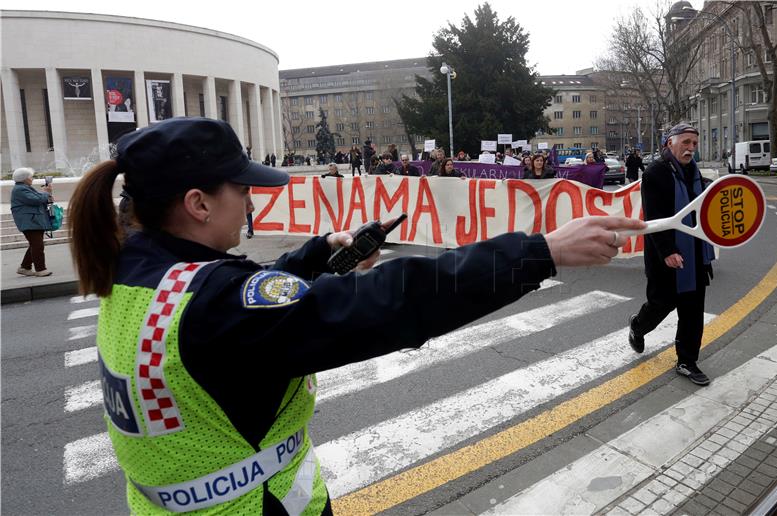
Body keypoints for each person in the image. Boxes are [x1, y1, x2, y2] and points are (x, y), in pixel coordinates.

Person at [68, 117, 644, 514]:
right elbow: (396, 301)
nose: (250, 200)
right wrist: (539, 251)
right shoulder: (213, 305)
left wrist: (319, 254)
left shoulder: (131, 271)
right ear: (197, 204)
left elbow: (242, 300)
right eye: (239, 189)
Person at [628, 123, 715, 386]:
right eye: (686, 142)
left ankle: (687, 361)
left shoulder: (697, 174)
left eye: (694, 144)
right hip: (664, 254)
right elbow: (653, 218)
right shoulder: (655, 173)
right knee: (661, 304)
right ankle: (638, 326)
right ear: (670, 143)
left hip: (695, 252)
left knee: (692, 309)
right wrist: (668, 251)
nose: (690, 149)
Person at [10, 167, 53, 277]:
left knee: (35, 245)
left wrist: (47, 195)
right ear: (24, 178)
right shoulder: (20, 189)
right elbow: (36, 200)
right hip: (29, 222)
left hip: (33, 221)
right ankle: (40, 269)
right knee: (37, 245)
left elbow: (39, 199)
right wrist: (46, 193)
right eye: (31, 177)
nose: (32, 179)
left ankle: (25, 267)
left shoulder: (25, 188)